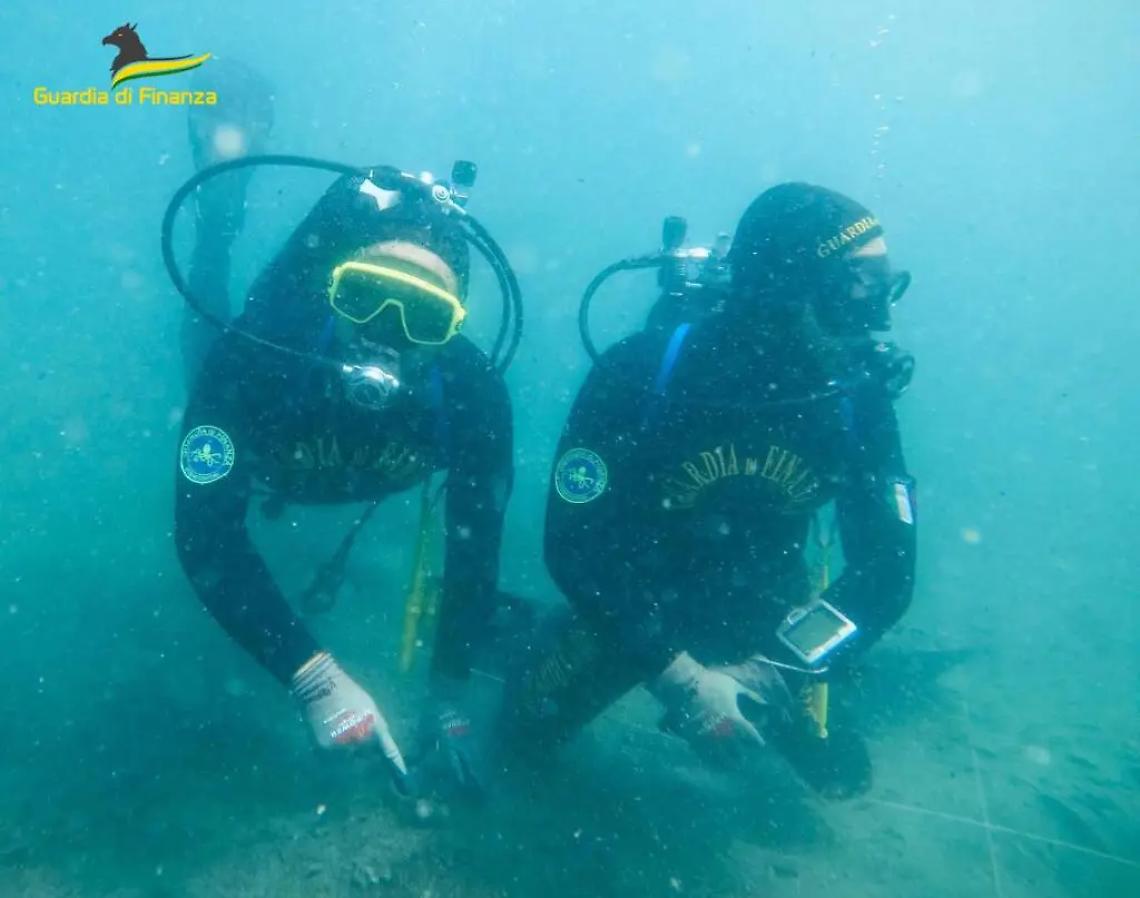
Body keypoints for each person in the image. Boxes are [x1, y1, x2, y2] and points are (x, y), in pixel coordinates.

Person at [504, 183, 917, 799]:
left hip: (768, 615)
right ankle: (527, 629)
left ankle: (769, 685)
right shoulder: (640, 373)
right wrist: (680, 680)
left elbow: (887, 572)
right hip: (632, 603)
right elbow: (572, 547)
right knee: (515, 745)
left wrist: (772, 671)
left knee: (837, 780)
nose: (876, 317)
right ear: (780, 289)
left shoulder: (856, 400)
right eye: (853, 287)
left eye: (881, 284)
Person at [173, 164, 514, 798]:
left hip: (322, 465)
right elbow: (205, 535)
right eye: (364, 296)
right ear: (332, 289)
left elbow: (475, 548)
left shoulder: (473, 393)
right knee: (205, 335)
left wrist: (448, 693)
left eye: (424, 317)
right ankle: (218, 225)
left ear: (452, 330)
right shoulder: (258, 353)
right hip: (269, 437)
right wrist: (313, 677)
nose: (387, 332)